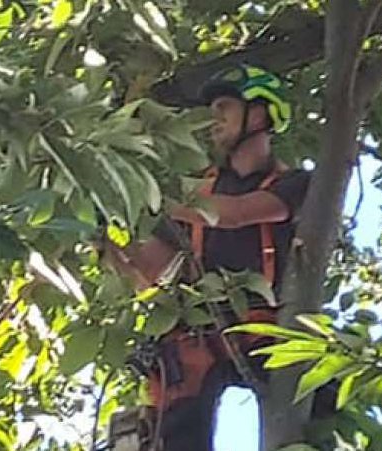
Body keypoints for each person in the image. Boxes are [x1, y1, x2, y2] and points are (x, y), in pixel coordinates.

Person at [102, 63, 311, 451]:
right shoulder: (202, 186)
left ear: (261, 113)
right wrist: (111, 229)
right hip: (196, 337)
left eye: (224, 109)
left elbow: (232, 214)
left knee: (316, 407)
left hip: (260, 332)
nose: (212, 120)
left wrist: (144, 192)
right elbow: (159, 272)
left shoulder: (293, 183)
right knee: (174, 432)